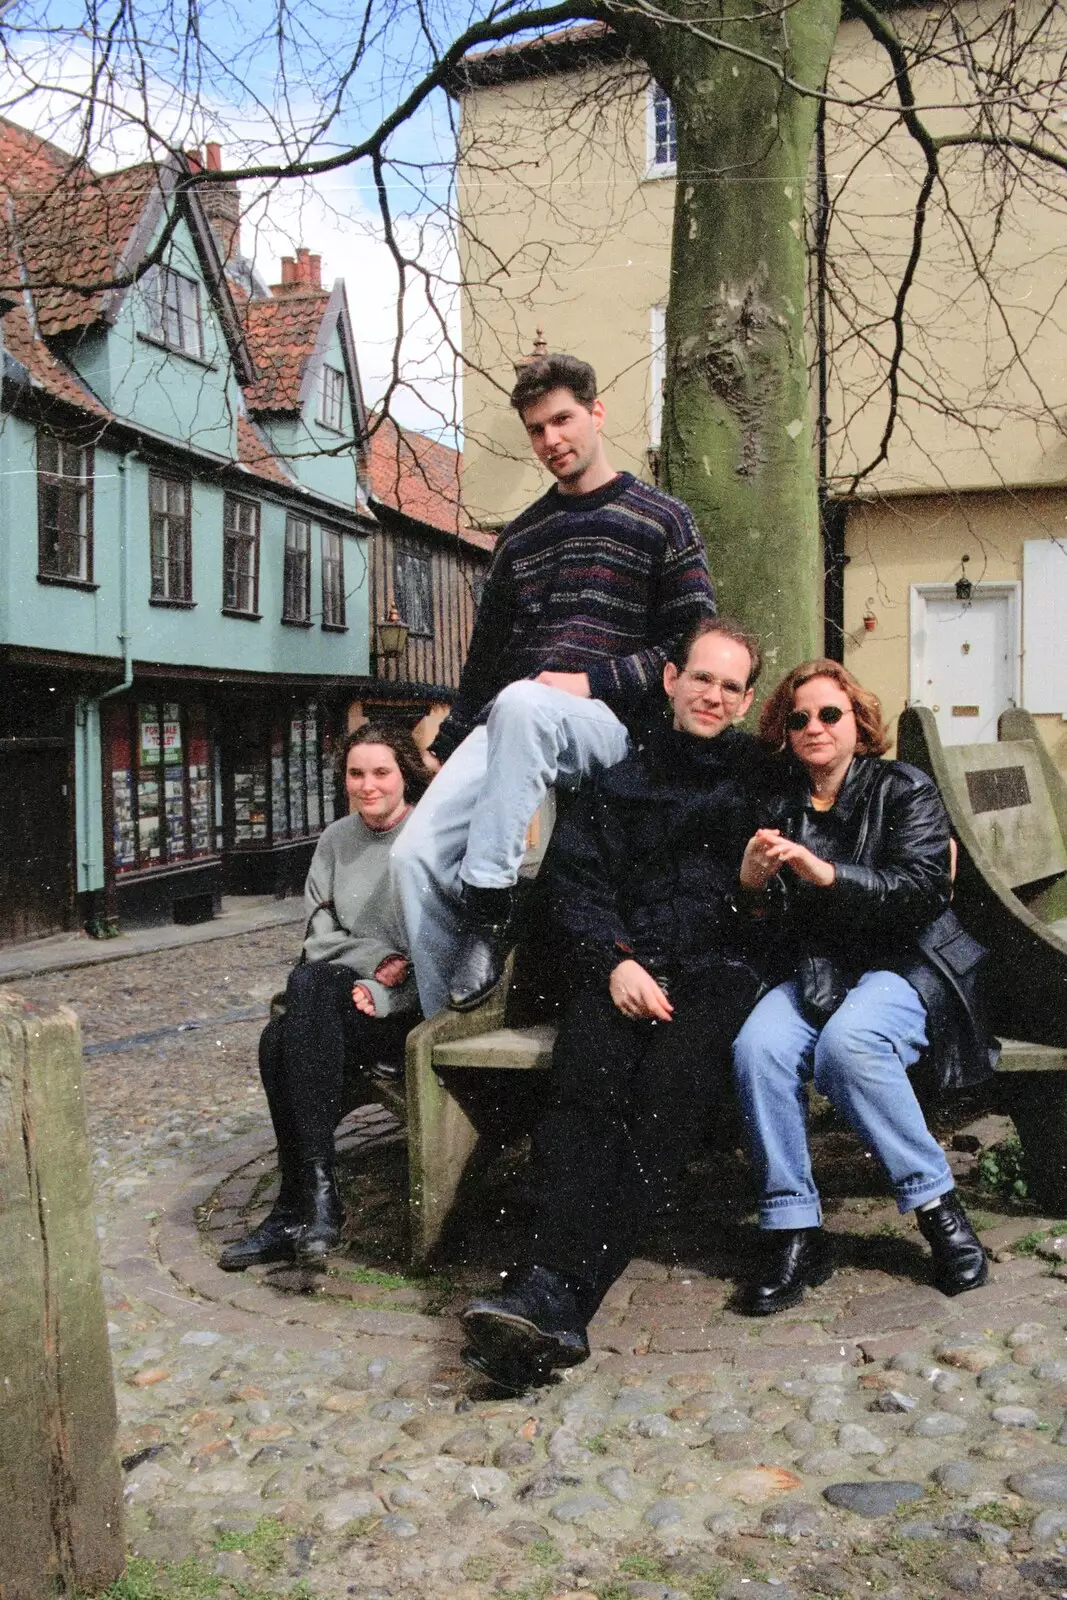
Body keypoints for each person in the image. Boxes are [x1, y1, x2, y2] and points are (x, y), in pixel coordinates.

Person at [460, 616, 766, 1389]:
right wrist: (613, 963)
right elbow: (578, 884)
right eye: (702, 677)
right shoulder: (616, 773)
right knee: (584, 1088)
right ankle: (545, 1290)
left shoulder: (761, 777)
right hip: (624, 965)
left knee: (664, 1098)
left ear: (746, 699)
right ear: (670, 680)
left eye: (730, 686)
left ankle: (560, 1298)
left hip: (714, 972)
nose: (713, 695)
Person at [391, 352, 715, 1017]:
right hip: (518, 717)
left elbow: (693, 641)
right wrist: (447, 745)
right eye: (536, 429)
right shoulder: (519, 539)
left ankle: (488, 909)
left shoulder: (661, 519)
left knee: (524, 701)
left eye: (562, 420)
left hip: (617, 726)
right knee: (412, 858)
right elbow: (485, 664)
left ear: (595, 413)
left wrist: (591, 680)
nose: (551, 441)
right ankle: (445, 1030)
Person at [731, 660, 996, 1315]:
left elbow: (923, 890)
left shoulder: (902, 788)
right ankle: (793, 1229)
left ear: (858, 723)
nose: (813, 727)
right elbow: (760, 927)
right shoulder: (778, 804)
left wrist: (829, 875)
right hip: (819, 971)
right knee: (756, 1048)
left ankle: (937, 1208)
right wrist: (748, 887)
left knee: (848, 1046)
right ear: (785, 733)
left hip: (907, 964)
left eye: (829, 714)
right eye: (798, 718)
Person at [219, 724, 430, 1272]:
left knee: (281, 1035)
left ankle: (297, 1206)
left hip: (405, 1012)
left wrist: (386, 986)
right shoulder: (335, 840)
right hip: (341, 997)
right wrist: (374, 964)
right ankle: (313, 1202)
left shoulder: (429, 836)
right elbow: (318, 937)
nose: (367, 785)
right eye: (356, 774)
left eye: (381, 772)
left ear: (404, 774)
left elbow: (428, 945)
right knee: (286, 1024)